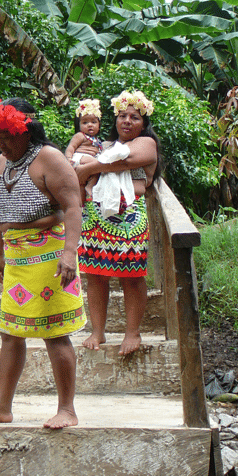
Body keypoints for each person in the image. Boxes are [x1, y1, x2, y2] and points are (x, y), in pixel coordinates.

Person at [0, 98, 86, 429]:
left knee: (54, 332)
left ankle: (67, 409)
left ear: (26, 131)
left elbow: (73, 207)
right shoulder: (1, 162)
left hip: (51, 258)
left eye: (7, 135)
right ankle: (2, 405)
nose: (1, 142)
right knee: (11, 332)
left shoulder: (50, 158)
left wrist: (70, 252)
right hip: (17, 259)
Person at [75, 90, 161, 356]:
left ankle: (132, 331)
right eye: (122, 115)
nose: (126, 121)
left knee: (132, 276)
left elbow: (127, 161)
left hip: (129, 217)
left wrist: (90, 167)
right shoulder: (105, 147)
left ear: (144, 123)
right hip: (95, 216)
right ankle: (98, 330)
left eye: (134, 117)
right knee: (95, 274)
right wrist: (91, 164)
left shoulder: (146, 143)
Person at [64, 98, 103, 200]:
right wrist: (68, 158)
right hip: (80, 158)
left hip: (88, 162)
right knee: (98, 164)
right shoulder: (80, 136)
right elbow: (71, 147)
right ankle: (90, 186)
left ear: (99, 125)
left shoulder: (97, 140)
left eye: (93, 122)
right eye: (85, 123)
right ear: (79, 125)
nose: (89, 125)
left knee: (82, 183)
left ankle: (82, 203)